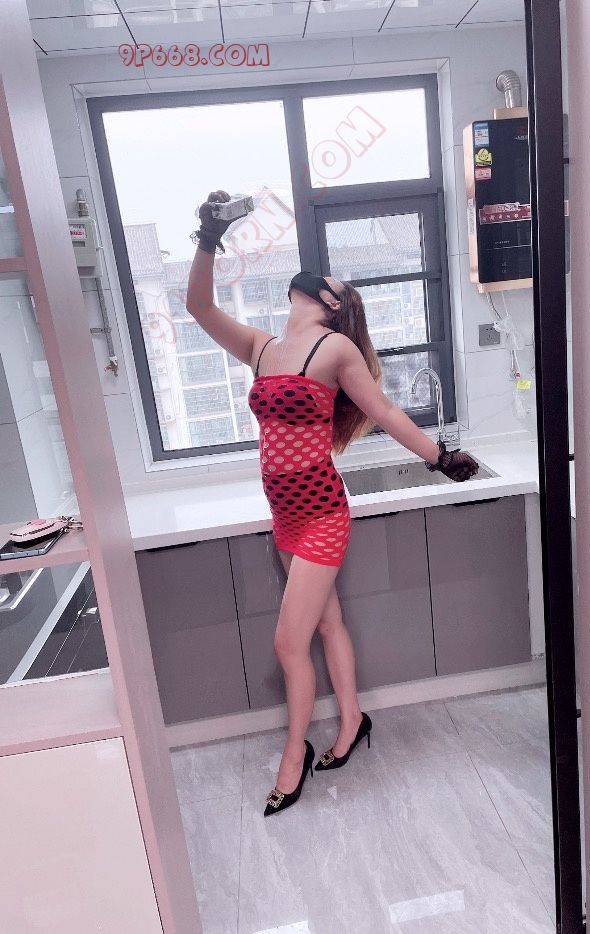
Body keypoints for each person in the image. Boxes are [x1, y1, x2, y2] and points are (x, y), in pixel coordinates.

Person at [186, 191, 479, 817]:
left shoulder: (334, 351)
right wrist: (208, 239)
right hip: (284, 516)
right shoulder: (262, 347)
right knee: (325, 625)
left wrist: (440, 457)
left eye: (333, 282)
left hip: (321, 513)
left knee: (287, 646)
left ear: (332, 303)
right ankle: (352, 720)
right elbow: (199, 308)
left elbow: (386, 410)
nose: (318, 276)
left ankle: (293, 757)